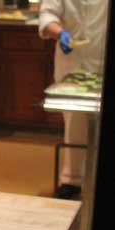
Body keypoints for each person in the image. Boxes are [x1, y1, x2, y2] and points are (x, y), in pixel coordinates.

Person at [39, 0, 107, 199]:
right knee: (74, 123)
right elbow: (47, 15)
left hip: (101, 59)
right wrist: (60, 33)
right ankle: (72, 180)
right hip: (72, 65)